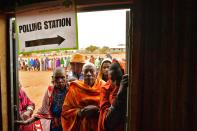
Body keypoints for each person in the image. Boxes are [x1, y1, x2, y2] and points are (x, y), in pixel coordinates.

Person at [61, 63, 106, 131]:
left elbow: (110, 107)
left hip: (99, 127)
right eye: (86, 71)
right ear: (82, 73)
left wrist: (98, 110)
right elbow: (65, 111)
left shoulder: (104, 86)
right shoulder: (75, 88)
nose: (88, 74)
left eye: (91, 71)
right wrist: (79, 112)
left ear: (96, 73)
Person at [98, 59, 129, 131]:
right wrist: (120, 94)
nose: (116, 83)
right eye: (112, 79)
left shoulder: (129, 87)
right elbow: (108, 122)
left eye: (118, 78)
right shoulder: (105, 89)